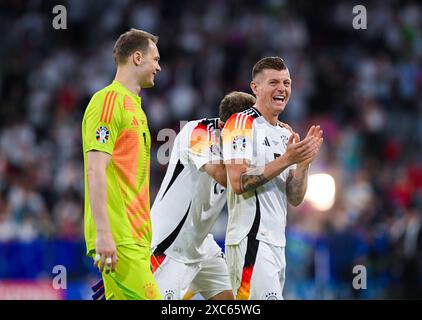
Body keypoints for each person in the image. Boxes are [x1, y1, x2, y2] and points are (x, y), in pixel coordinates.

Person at [221, 57, 323, 300]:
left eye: (287, 83)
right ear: (255, 88)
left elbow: (295, 198)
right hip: (251, 240)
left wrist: (303, 165)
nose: (282, 89)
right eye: (274, 82)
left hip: (277, 243)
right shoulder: (240, 123)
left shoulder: (285, 133)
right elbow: (239, 182)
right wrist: (287, 159)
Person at [150, 91, 256, 300]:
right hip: (168, 246)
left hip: (200, 245)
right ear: (231, 127)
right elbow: (223, 176)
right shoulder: (196, 132)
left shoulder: (240, 147)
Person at [82, 28, 162, 300]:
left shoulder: (137, 109)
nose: (159, 67)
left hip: (137, 240)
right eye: (155, 59)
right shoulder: (107, 101)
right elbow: (95, 169)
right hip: (120, 237)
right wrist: (105, 235)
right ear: (137, 58)